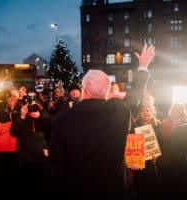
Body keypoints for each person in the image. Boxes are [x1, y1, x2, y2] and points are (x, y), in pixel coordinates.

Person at [45, 44, 155, 199]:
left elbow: (56, 168)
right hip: (114, 191)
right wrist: (143, 66)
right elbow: (134, 97)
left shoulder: (63, 119)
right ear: (107, 91)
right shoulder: (117, 112)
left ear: (84, 91)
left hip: (78, 191)